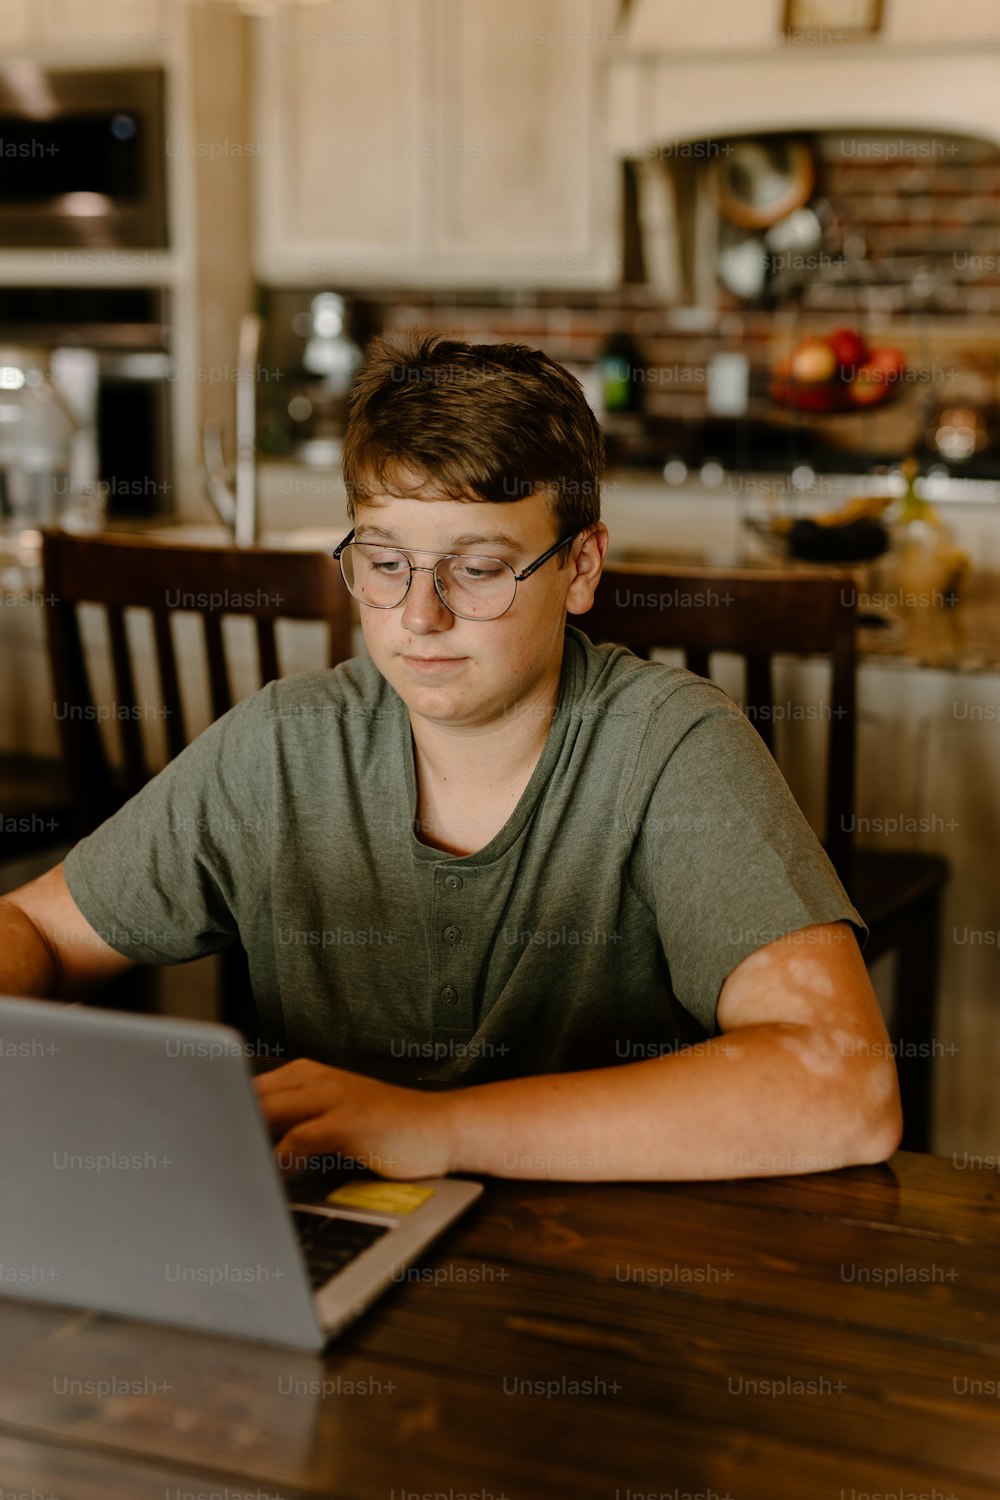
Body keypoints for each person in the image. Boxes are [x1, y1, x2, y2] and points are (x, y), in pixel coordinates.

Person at [0, 332, 902, 1182]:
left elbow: (845, 1089)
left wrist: (429, 1126)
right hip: (325, 1236)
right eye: (385, 562)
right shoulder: (284, 745)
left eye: (476, 568)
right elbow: (35, 929)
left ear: (580, 567)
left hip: (604, 1295)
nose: (419, 615)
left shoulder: (671, 748)